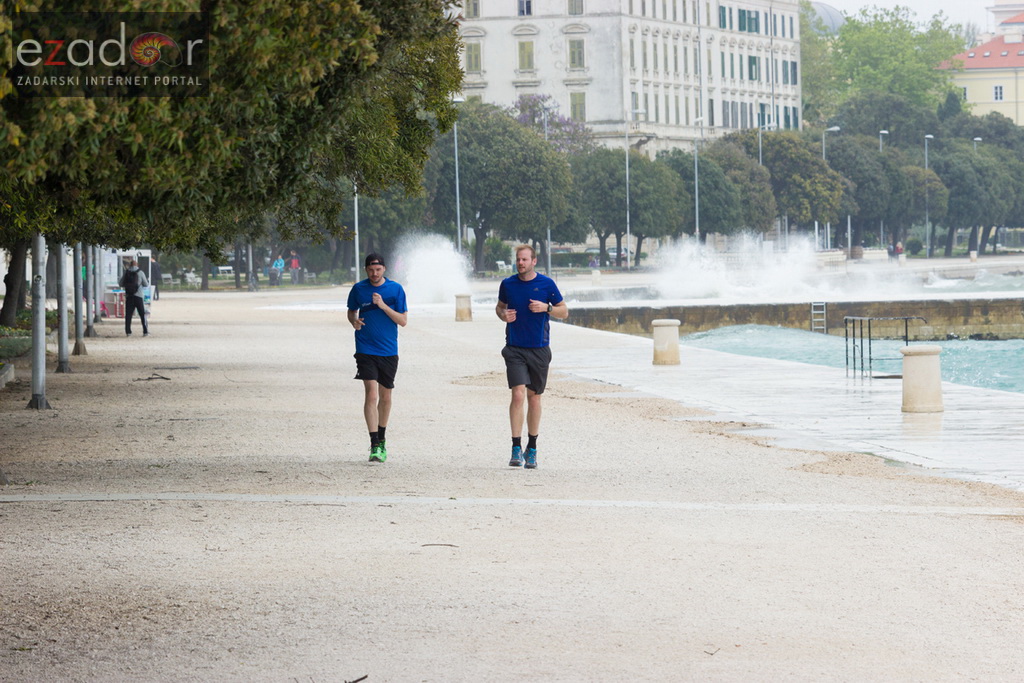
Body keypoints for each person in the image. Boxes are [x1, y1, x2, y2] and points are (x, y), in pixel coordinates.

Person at [495, 244, 568, 469]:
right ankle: (516, 447)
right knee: (518, 395)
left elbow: (563, 311)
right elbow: (499, 308)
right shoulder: (507, 284)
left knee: (534, 397)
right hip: (515, 348)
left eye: (525, 259)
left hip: (539, 349)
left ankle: (532, 447)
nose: (520, 263)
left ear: (534, 261)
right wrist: (503, 315)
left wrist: (546, 308)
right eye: (518, 259)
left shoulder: (546, 284)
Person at [346, 253, 408, 463]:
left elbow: (403, 321)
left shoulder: (395, 290)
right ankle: (374, 444)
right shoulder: (358, 289)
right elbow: (351, 311)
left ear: (384, 269)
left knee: (386, 397)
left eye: (378, 270)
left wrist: (383, 305)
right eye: (371, 270)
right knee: (371, 395)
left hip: (389, 350)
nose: (374, 273)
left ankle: (382, 438)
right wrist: (354, 321)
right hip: (365, 348)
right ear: (366, 270)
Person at [118, 259, 150, 337]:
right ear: (137, 265)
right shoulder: (141, 272)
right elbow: (146, 284)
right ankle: (145, 331)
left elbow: (121, 283)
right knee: (142, 314)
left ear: (130, 265)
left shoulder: (126, 272)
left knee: (128, 315)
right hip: (138, 296)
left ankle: (128, 332)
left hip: (129, 296)